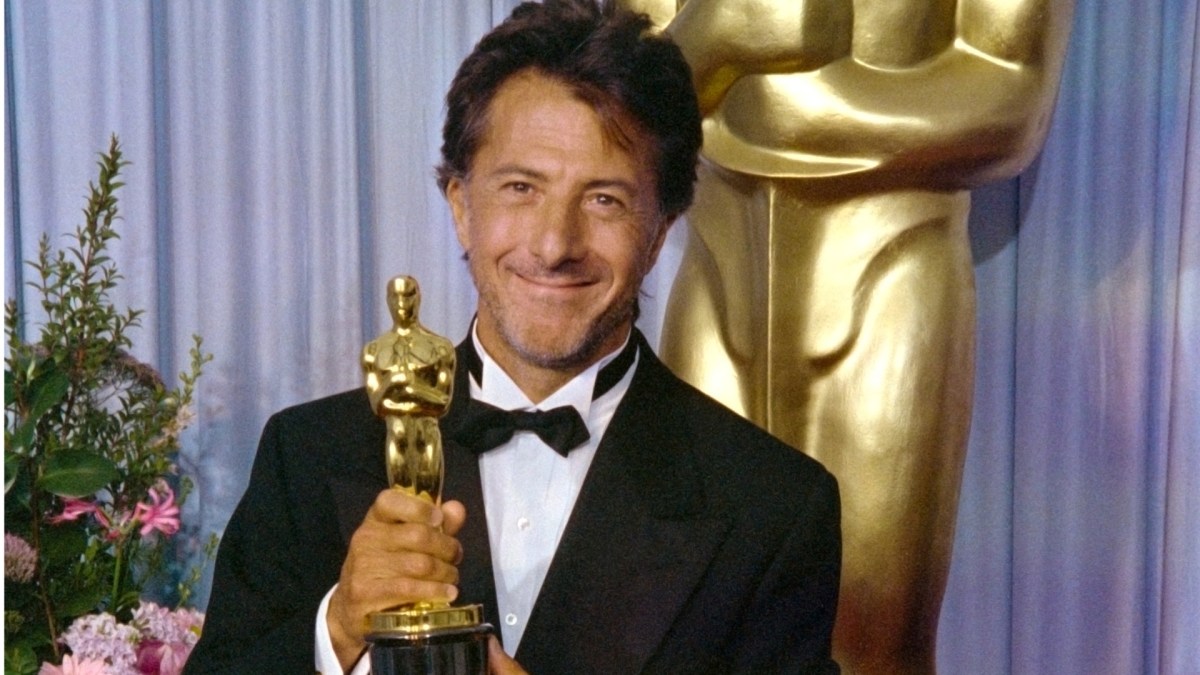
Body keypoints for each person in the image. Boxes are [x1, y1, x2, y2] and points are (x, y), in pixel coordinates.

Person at [185, 1, 841, 673]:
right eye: (522, 188)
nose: (555, 244)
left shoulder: (773, 509)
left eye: (604, 199)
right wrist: (340, 627)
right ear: (461, 206)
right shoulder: (308, 456)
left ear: (661, 233)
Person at [618, 1, 1074, 672]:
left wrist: (786, 110)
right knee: (696, 626)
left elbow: (1012, 97)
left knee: (870, 638)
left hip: (889, 275)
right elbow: (626, 95)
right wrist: (717, 30)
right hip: (717, 273)